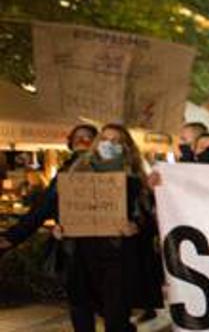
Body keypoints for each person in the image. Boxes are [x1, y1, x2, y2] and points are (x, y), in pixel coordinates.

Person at [57, 124, 156, 332]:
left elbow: (150, 217)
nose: (109, 144)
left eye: (116, 141)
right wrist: (60, 227)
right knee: (82, 313)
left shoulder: (136, 180)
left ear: (126, 147)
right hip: (83, 255)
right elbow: (59, 208)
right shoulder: (75, 173)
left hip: (118, 257)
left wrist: (136, 226)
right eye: (104, 139)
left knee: (116, 318)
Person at [0, 123, 97, 254]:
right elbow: (46, 204)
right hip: (72, 240)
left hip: (103, 242)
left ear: (96, 142)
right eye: (77, 137)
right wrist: (15, 235)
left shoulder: (105, 167)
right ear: (71, 142)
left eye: (87, 137)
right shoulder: (65, 171)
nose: (81, 140)